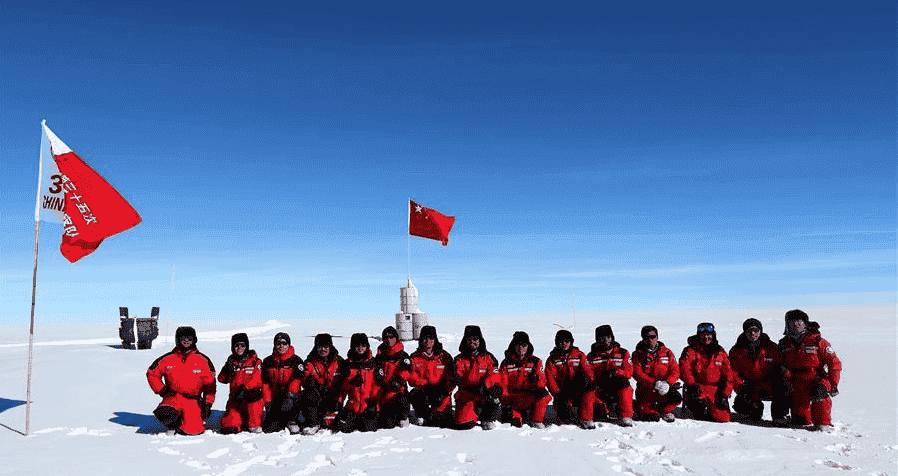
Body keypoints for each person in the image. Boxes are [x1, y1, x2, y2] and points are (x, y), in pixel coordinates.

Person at [778, 309, 842, 431]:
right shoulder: (783, 344)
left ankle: (823, 423)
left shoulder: (818, 341)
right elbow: (779, 363)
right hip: (796, 381)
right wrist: (784, 374)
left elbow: (834, 362)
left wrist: (833, 384)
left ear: (805, 324)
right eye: (792, 323)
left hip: (816, 377)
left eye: (799, 323)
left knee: (820, 390)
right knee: (801, 421)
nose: (795, 326)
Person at [146, 326, 216, 435]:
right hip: (173, 398)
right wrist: (161, 390)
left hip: (193, 400)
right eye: (183, 337)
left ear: (194, 339)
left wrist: (207, 404)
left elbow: (210, 385)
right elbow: (152, 373)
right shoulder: (167, 358)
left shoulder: (203, 360)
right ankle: (172, 425)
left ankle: (186, 421)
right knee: (166, 412)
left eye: (189, 337)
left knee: (193, 431)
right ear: (177, 339)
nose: (186, 340)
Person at [728, 318, 788, 424]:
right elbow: (733, 371)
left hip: (768, 384)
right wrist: (741, 385)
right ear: (744, 332)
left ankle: (779, 415)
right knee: (745, 409)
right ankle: (754, 408)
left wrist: (779, 382)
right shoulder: (736, 350)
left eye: (755, 330)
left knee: (783, 387)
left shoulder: (771, 347)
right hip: (748, 386)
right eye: (749, 330)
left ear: (760, 331)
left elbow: (781, 367)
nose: (752, 333)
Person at [679, 322, 735, 423]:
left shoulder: (720, 351)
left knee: (724, 418)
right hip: (697, 388)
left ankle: (711, 409)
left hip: (716, 390)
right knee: (699, 412)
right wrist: (692, 385)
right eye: (703, 335)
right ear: (698, 336)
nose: (706, 337)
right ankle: (699, 408)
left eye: (709, 335)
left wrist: (725, 394)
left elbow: (729, 374)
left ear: (713, 335)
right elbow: (684, 369)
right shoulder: (690, 350)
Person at [498, 331, 551, 429]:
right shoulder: (506, 363)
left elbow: (542, 379)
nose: (521, 349)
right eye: (518, 345)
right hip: (513, 397)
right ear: (513, 346)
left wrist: (538, 383)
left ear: (528, 346)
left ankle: (536, 420)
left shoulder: (535, 362)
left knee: (544, 395)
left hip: (529, 396)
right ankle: (515, 415)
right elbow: (502, 382)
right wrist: (505, 398)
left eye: (524, 345)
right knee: (515, 423)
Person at [453, 325, 502, 430]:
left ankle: (487, 417)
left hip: (484, 392)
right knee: (464, 424)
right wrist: (469, 385)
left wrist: (485, 385)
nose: (472, 342)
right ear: (465, 341)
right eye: (469, 339)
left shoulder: (489, 358)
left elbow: (494, 375)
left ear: (480, 340)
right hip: (467, 394)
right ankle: (473, 412)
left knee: (495, 394)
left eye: (475, 339)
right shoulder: (459, 359)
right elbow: (457, 377)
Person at [584, 325, 634, 427]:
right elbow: (589, 374)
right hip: (600, 387)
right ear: (598, 340)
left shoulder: (622, 353)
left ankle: (626, 416)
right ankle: (588, 418)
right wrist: (599, 378)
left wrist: (616, 372)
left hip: (617, 384)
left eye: (608, 337)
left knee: (626, 386)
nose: (606, 340)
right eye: (602, 338)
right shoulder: (591, 356)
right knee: (598, 411)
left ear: (612, 337)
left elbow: (629, 372)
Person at [545, 330, 594, 429]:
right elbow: (550, 379)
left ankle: (586, 419)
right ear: (557, 343)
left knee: (589, 392)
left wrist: (591, 382)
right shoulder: (552, 359)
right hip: (563, 392)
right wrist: (557, 393)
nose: (564, 344)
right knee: (565, 418)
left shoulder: (579, 355)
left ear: (571, 342)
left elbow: (588, 371)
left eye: (567, 341)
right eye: (561, 341)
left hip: (578, 388)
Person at [408, 325, 456, 428]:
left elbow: (452, 377)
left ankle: (439, 413)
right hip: (424, 391)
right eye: (425, 338)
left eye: (431, 338)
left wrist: (445, 390)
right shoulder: (415, 357)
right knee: (414, 394)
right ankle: (422, 415)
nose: (428, 341)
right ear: (421, 340)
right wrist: (424, 384)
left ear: (435, 339)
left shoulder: (444, 356)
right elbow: (411, 377)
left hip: (441, 391)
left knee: (443, 421)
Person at [217, 333, 265, 434]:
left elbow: (257, 380)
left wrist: (244, 389)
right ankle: (238, 421)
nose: (239, 348)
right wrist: (226, 369)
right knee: (229, 427)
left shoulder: (255, 361)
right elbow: (222, 379)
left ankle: (253, 423)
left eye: (242, 345)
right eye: (236, 345)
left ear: (247, 346)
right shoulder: (231, 361)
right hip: (236, 399)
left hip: (252, 398)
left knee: (253, 426)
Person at [299, 333, 344, 435]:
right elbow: (305, 379)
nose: (323, 349)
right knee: (309, 392)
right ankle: (313, 423)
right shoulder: (310, 362)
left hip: (334, 397)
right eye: (320, 346)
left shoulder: (339, 361)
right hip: (317, 397)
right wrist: (309, 381)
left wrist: (339, 400)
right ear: (316, 347)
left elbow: (345, 382)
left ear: (330, 346)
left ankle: (331, 416)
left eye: (326, 346)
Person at [335, 333, 380, 433]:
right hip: (352, 406)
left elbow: (377, 386)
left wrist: (374, 403)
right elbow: (342, 387)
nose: (360, 348)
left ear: (367, 346)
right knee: (344, 428)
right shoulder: (347, 364)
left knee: (367, 428)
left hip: (369, 406)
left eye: (363, 345)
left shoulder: (373, 363)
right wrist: (351, 382)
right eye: (357, 346)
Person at [261, 332, 304, 433]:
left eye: (284, 343)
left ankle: (292, 420)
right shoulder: (268, 362)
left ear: (289, 344)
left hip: (291, 398)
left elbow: (297, 380)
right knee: (269, 428)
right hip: (274, 398)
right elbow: (265, 383)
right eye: (278, 343)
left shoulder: (296, 361)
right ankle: (277, 419)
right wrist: (267, 402)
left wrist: (290, 395)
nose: (281, 346)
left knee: (291, 402)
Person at [374, 326, 413, 429]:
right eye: (386, 338)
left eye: (391, 337)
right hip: (385, 393)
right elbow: (376, 370)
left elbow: (407, 371)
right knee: (388, 425)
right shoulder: (380, 356)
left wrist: (398, 381)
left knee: (402, 405)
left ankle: (404, 417)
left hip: (399, 391)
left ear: (396, 338)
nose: (389, 340)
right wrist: (378, 377)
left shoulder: (403, 356)